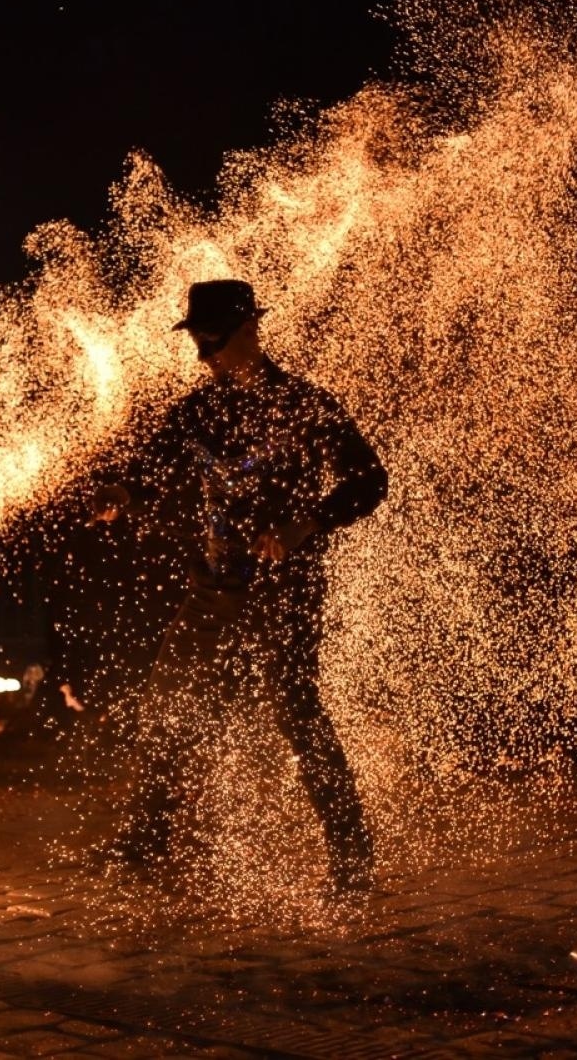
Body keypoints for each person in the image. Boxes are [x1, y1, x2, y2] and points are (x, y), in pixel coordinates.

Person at [91, 279, 388, 896]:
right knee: (168, 700)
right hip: (214, 585)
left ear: (249, 331)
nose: (204, 357)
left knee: (297, 712)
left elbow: (368, 480)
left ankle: (352, 853)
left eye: (213, 342)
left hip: (287, 585)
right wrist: (123, 494)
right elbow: (150, 470)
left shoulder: (305, 405)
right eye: (197, 345)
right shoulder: (197, 412)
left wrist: (306, 523)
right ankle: (146, 840)